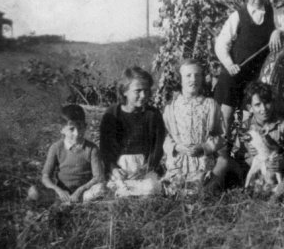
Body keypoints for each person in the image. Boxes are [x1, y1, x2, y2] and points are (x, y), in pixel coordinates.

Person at [214, 0, 284, 139]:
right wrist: (229, 64)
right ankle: (222, 154)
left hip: (256, 75)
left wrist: (278, 31)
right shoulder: (237, 16)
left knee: (250, 117)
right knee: (226, 116)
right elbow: (221, 44)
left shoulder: (273, 14)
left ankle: (245, 155)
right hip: (235, 72)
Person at [161, 59, 228, 195]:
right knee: (174, 191)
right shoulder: (171, 107)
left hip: (202, 160)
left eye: (197, 75)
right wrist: (176, 147)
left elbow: (222, 135)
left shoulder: (210, 105)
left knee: (201, 190)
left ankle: (203, 189)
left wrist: (205, 147)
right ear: (180, 79)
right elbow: (164, 135)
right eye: (188, 75)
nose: (193, 79)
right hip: (179, 160)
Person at [99, 67, 166, 197]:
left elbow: (158, 148)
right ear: (125, 91)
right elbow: (105, 148)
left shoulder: (153, 115)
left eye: (146, 91)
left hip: (144, 168)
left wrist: (146, 168)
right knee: (114, 188)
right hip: (120, 168)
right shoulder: (112, 114)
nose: (143, 95)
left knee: (151, 188)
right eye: (138, 91)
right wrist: (113, 168)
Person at [231, 81, 284, 193]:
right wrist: (247, 152)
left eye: (267, 102)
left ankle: (278, 193)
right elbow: (236, 154)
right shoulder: (245, 128)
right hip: (254, 172)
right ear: (250, 108)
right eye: (258, 105)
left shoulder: (283, 126)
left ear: (272, 102)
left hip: (276, 172)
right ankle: (250, 190)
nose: (264, 109)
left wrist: (283, 162)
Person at [28, 104, 105, 204]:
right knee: (33, 191)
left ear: (85, 126)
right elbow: (46, 176)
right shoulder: (56, 148)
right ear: (62, 129)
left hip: (84, 192)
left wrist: (80, 191)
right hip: (62, 194)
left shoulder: (91, 149)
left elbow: (98, 177)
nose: (77, 133)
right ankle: (62, 203)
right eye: (71, 129)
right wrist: (58, 190)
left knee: (101, 188)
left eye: (80, 127)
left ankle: (79, 203)